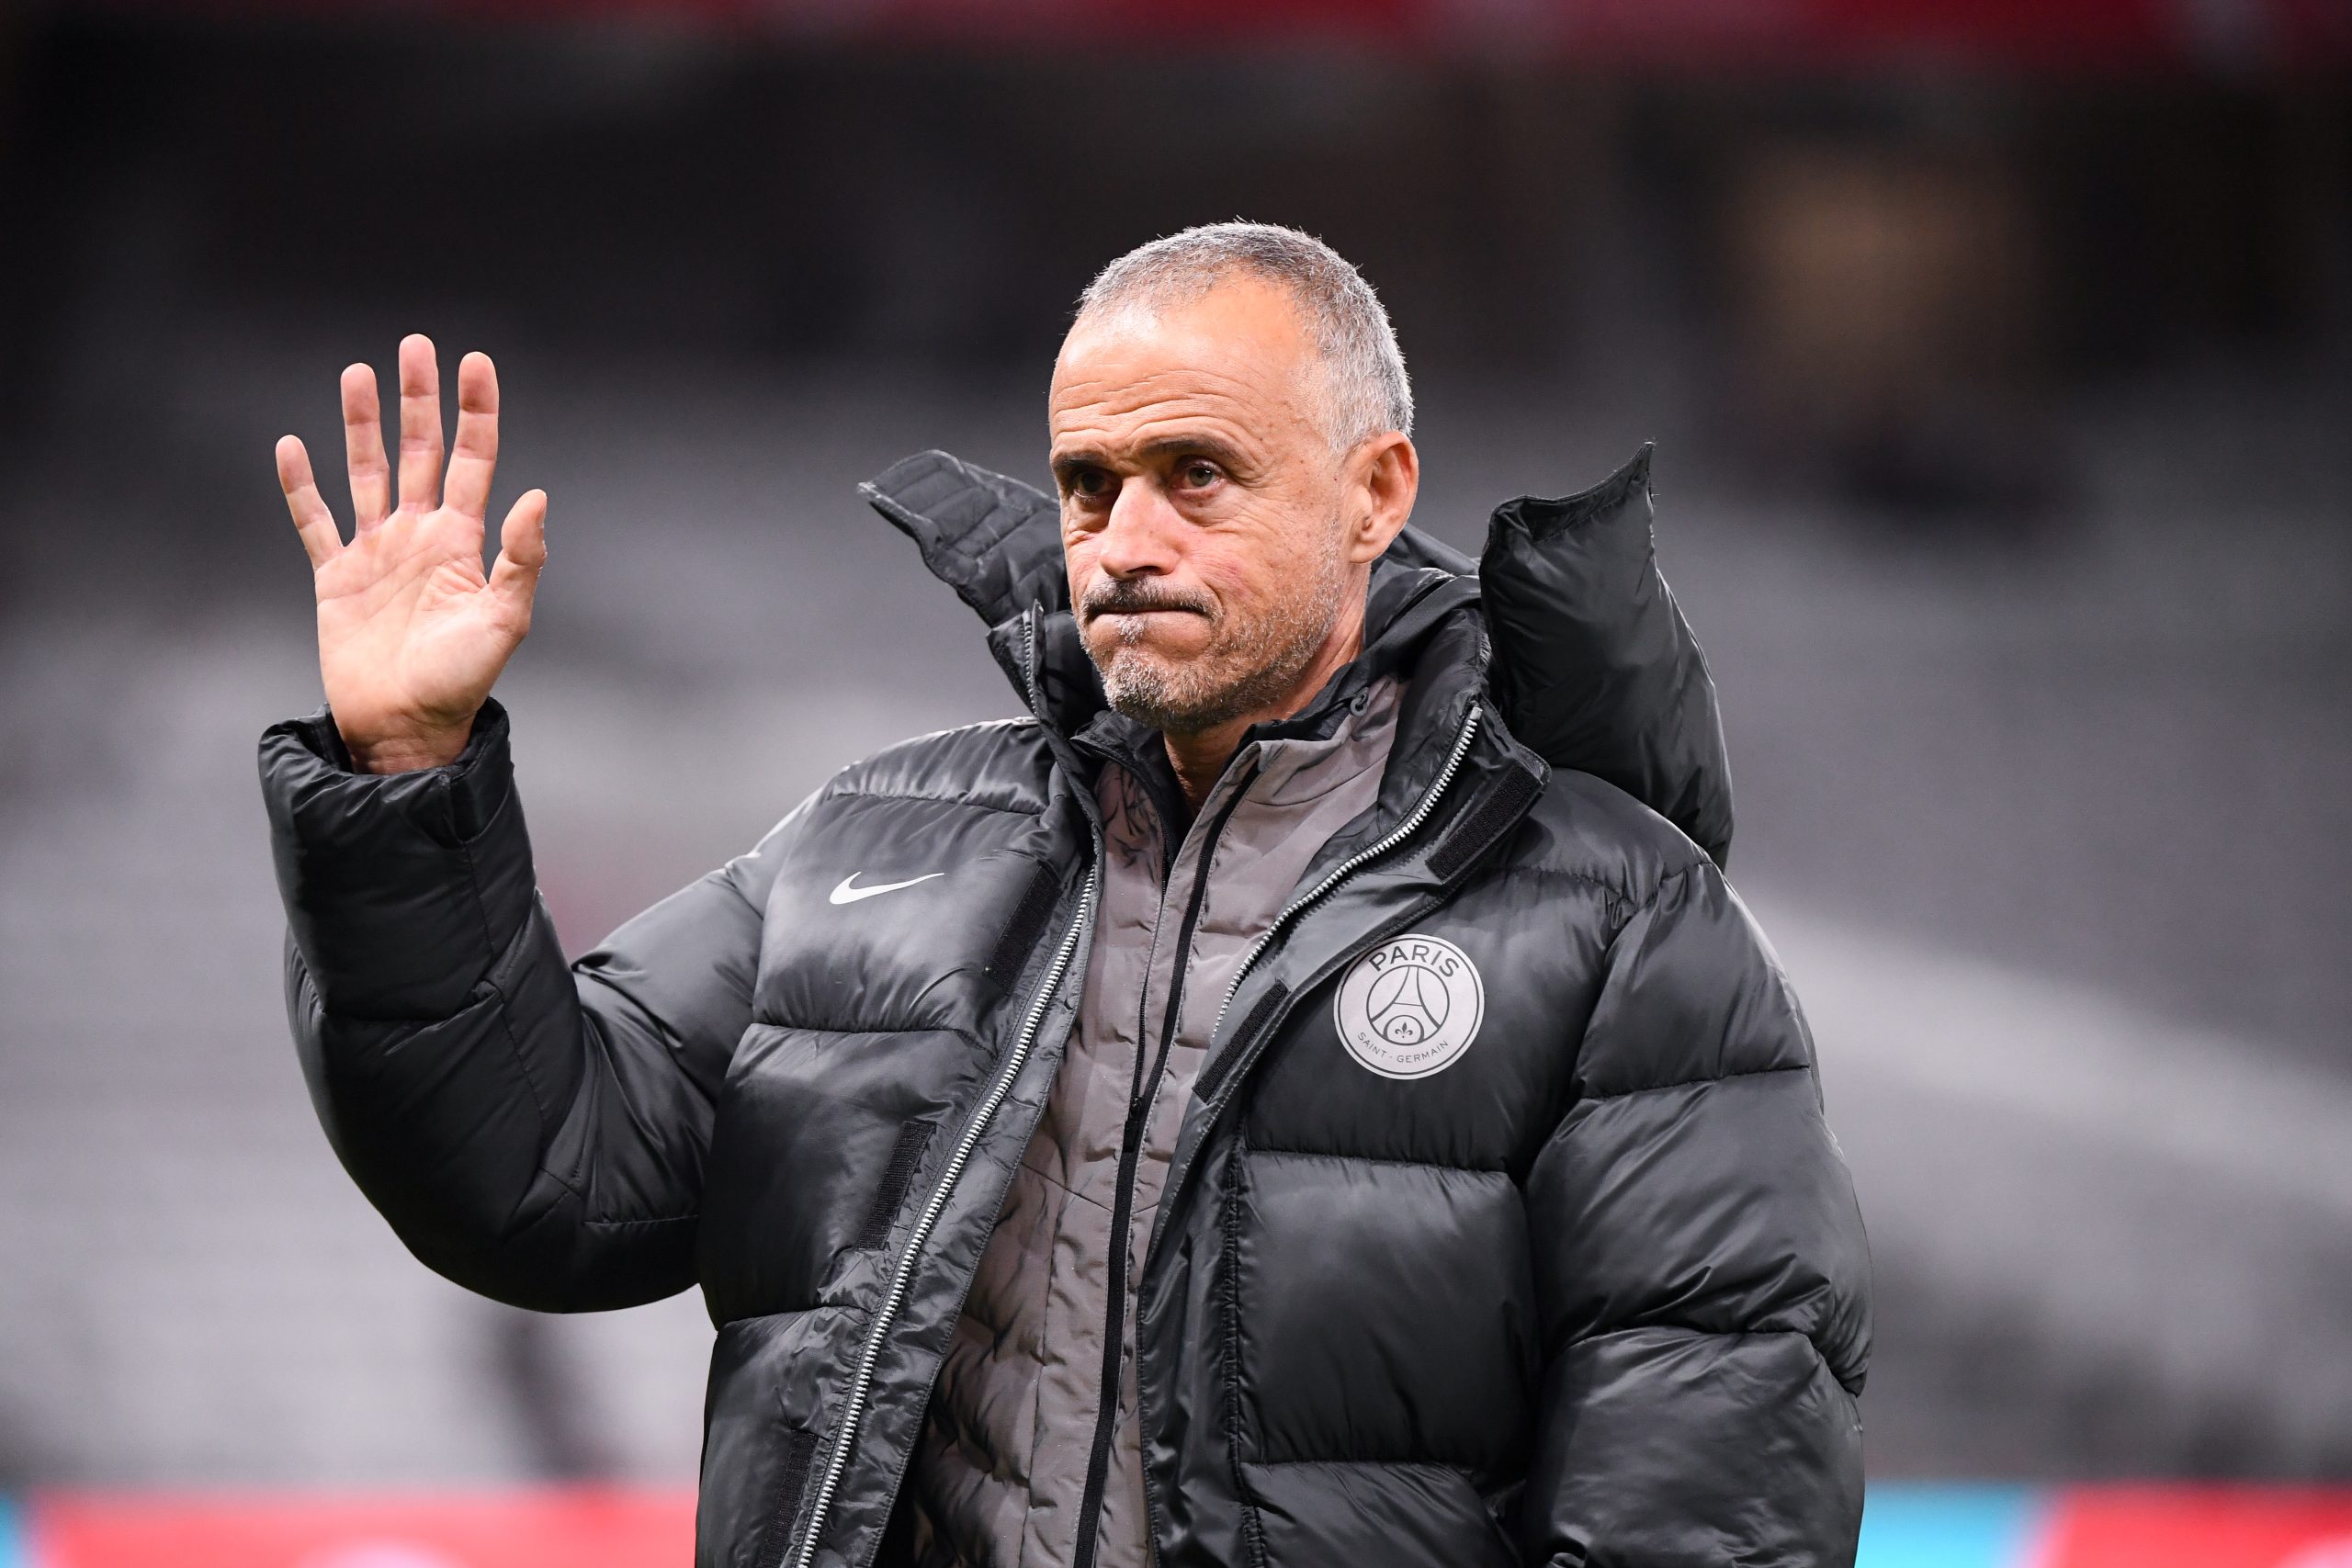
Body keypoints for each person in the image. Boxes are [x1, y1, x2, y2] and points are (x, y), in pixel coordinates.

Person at [262, 222, 1870, 1568]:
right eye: (1090, 483)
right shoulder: (865, 848)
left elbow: (1707, 1504)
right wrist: (407, 775)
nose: (1122, 540)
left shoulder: (1616, 921)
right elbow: (540, 1166)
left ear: (1375, 493)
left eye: (1198, 474)